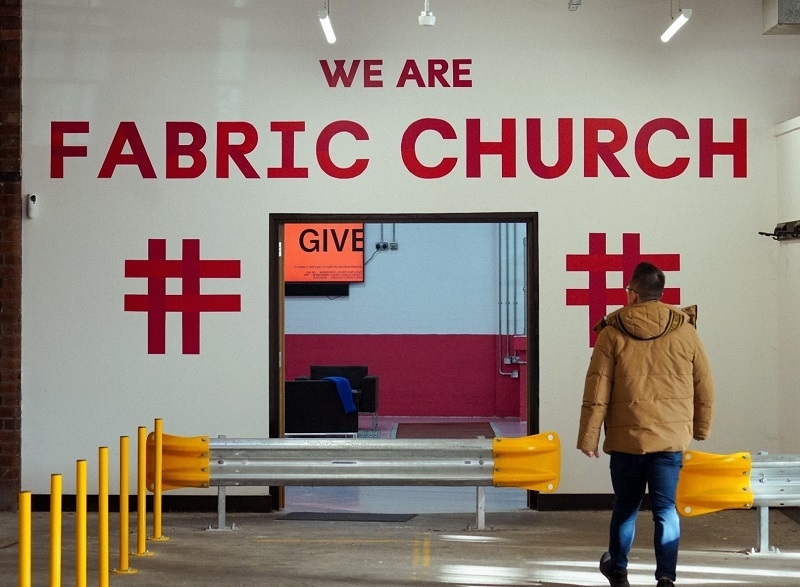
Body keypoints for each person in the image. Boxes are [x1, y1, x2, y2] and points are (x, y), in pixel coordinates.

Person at [576, 262, 714, 587]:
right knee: (666, 509)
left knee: (625, 507)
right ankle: (666, 578)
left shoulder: (611, 333)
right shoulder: (686, 331)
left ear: (633, 294)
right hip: (669, 441)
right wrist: (701, 428)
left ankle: (618, 570)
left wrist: (589, 437)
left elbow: (597, 389)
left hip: (628, 441)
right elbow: (704, 384)